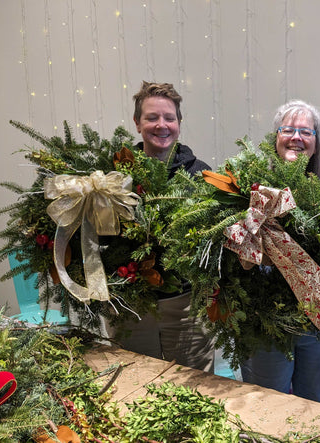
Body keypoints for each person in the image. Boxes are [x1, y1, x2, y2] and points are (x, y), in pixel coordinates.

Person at [239, 99, 320, 406]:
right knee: (265, 407)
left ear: (315, 143)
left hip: (318, 318)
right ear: (275, 139)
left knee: (319, 407)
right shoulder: (253, 190)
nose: (297, 137)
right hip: (265, 317)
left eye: (306, 131)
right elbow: (239, 253)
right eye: (288, 129)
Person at [117, 81, 214, 372]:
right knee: (133, 388)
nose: (162, 125)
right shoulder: (118, 177)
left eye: (169, 118)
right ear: (137, 123)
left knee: (195, 388)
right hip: (130, 305)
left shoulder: (200, 175)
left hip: (185, 308)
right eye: (152, 117)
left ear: (179, 124)